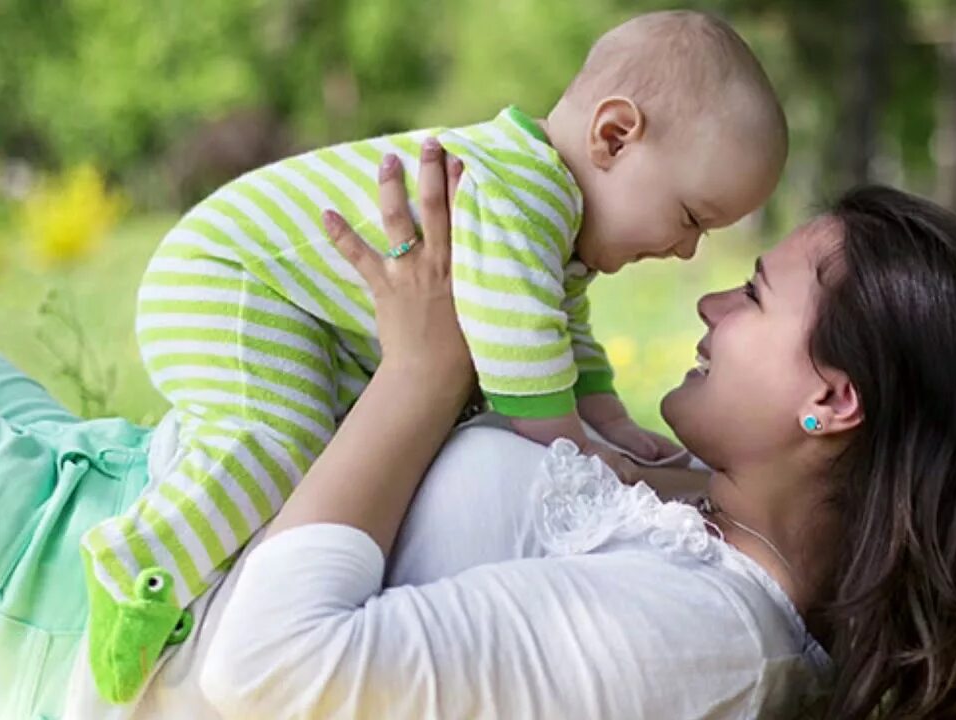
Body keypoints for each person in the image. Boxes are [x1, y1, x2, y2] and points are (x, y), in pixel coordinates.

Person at [78, 145, 956, 717]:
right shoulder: (705, 505)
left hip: (50, 602)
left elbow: (265, 669)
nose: (709, 307)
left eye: (751, 295)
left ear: (832, 402)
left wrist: (421, 376)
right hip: (96, 480)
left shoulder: (706, 647)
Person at [80, 10, 788, 702]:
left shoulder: (550, 215)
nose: (688, 249)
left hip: (286, 302)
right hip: (233, 281)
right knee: (279, 437)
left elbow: (559, 330)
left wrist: (606, 416)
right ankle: (142, 565)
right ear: (614, 136)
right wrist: (579, 451)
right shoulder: (520, 193)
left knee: (312, 449)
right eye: (691, 216)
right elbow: (522, 357)